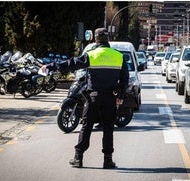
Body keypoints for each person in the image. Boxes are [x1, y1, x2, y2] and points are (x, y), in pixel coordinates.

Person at [41, 28, 129, 169]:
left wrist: (51, 66)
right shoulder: (118, 56)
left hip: (93, 97)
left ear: (95, 39)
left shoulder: (91, 55)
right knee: (108, 129)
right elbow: (125, 79)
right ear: (108, 40)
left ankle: (78, 158)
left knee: (86, 126)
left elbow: (71, 64)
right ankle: (107, 161)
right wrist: (120, 96)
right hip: (110, 98)